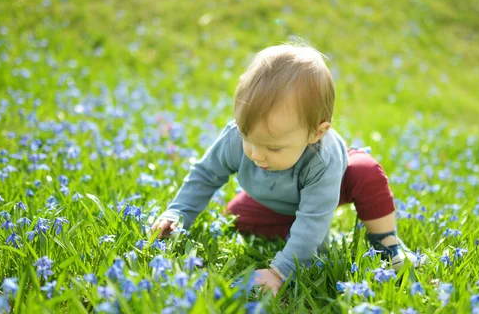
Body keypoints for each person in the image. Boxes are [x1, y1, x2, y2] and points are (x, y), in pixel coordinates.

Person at [151, 42, 423, 296]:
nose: (256, 154)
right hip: (274, 197)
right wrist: (179, 212)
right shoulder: (237, 138)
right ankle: (295, 233)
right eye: (249, 138)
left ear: (316, 133)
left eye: (273, 148)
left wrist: (280, 272)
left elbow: (315, 217)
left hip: (331, 190)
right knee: (235, 220)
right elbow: (206, 174)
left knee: (364, 171)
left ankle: (386, 242)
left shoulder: (322, 160)